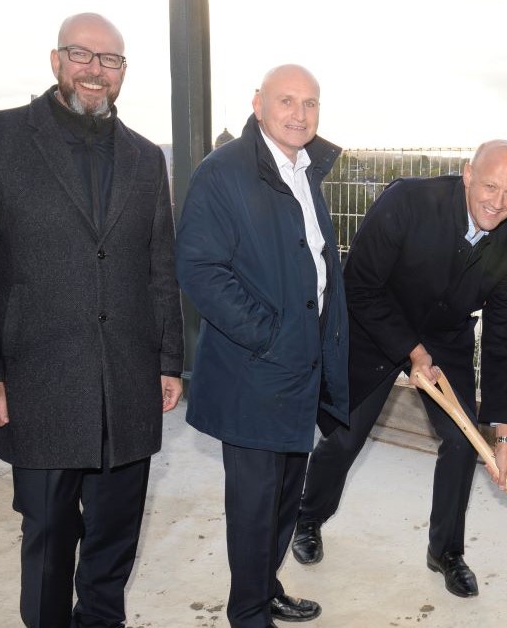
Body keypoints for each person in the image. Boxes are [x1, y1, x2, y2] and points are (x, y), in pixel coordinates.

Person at [0, 13, 183, 627]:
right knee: (48, 533)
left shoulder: (145, 159)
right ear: (56, 61)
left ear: (123, 74)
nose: (95, 71)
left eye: (111, 61)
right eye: (82, 55)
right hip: (37, 380)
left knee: (115, 531)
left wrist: (168, 361)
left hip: (125, 381)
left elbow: (160, 266)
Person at [291, 140, 507, 599]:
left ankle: (446, 552)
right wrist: (411, 350)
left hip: (446, 338)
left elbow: (504, 340)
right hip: (376, 322)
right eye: (490, 186)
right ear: (467, 174)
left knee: (462, 440)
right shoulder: (408, 201)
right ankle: (308, 516)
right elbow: (358, 285)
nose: (498, 203)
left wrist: (504, 438)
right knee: (345, 436)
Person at [175, 64, 347, 627]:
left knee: (282, 499)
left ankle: (265, 587)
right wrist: (269, 335)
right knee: (251, 507)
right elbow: (201, 270)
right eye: (287, 101)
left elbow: (314, 264)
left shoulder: (305, 170)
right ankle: (247, 614)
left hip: (300, 369)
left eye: (311, 103)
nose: (300, 114)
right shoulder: (223, 173)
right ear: (257, 103)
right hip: (256, 371)